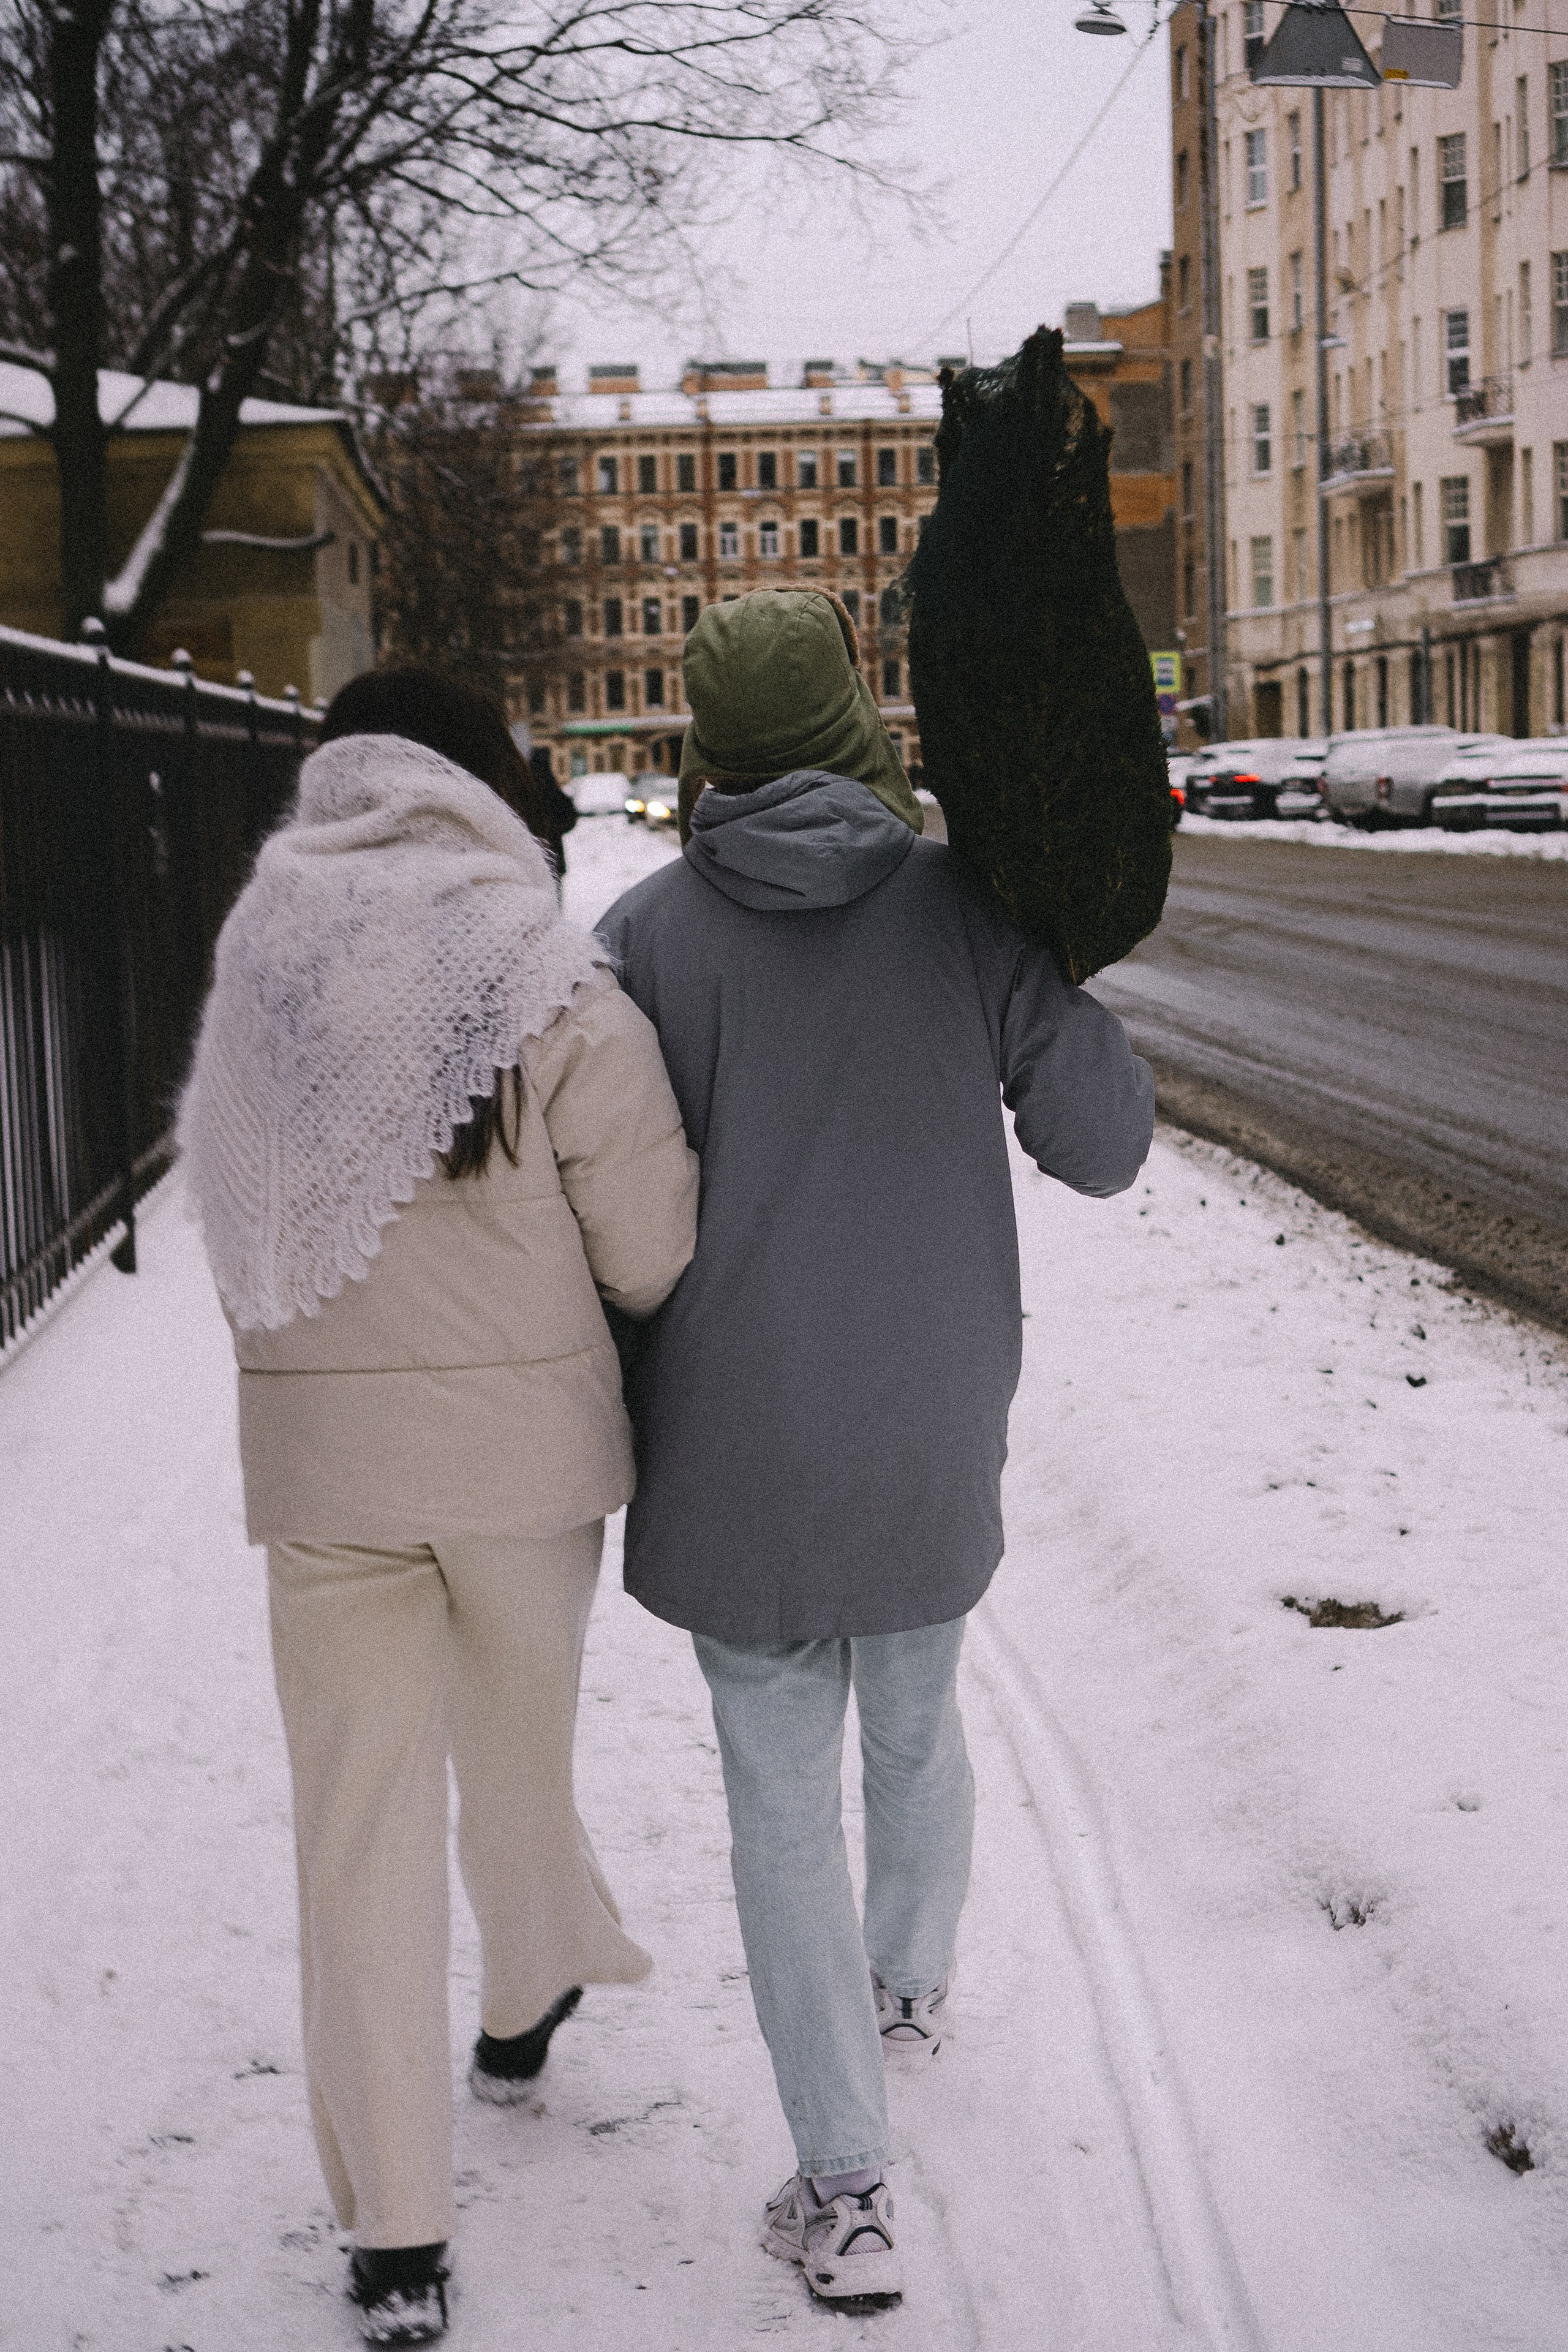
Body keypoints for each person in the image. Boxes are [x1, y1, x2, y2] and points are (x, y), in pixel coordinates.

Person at [597, 589, 1154, 2312]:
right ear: (854, 712)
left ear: (705, 734)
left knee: (779, 1807)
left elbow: (602, 1217)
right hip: (926, 1419)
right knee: (917, 1717)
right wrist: (1053, 971)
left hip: (735, 1437)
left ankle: (843, 2186)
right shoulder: (970, 911)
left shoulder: (642, 937)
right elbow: (1106, 1146)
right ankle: (909, 1981)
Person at [178, 666, 698, 2346]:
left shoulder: (261, 960)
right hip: (526, 1476)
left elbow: (237, 1216)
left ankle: (397, 2233)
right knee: (517, 1755)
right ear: (481, 782)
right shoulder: (547, 977)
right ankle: (536, 1978)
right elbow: (655, 1249)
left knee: (356, 1841)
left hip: (326, 1481)